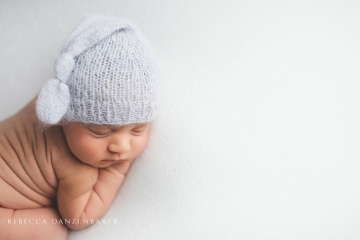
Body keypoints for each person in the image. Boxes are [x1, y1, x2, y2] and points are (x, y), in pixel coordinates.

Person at [0, 14, 159, 240]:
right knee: (53, 229)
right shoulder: (78, 171)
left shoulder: (47, 100)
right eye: (101, 131)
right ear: (64, 115)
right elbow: (77, 218)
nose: (121, 147)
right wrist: (116, 171)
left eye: (137, 130)